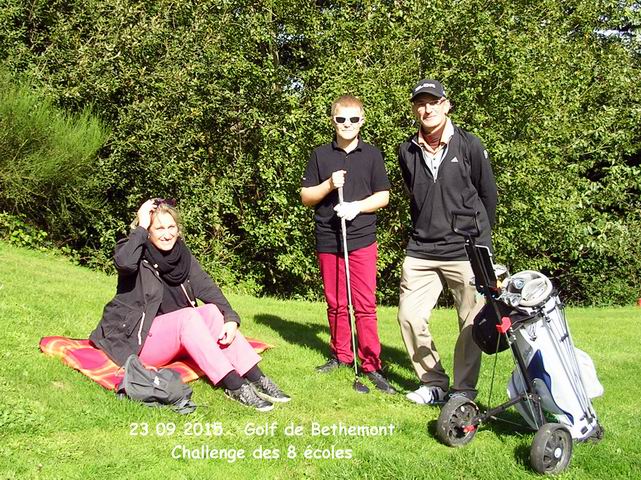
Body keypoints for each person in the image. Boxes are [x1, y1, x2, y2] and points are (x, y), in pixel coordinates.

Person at [90, 198, 290, 412]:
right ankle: (234, 385)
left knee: (211, 311)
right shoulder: (135, 250)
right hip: (138, 341)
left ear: (178, 229)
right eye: (159, 228)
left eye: (171, 227)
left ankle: (257, 377)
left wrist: (230, 318)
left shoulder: (181, 255)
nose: (167, 234)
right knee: (188, 316)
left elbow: (207, 287)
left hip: (172, 339)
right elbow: (124, 263)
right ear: (148, 231)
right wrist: (141, 225)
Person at [397, 79, 497, 404]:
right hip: (422, 249)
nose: (427, 109)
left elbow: (488, 195)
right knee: (409, 316)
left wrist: (482, 244)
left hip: (465, 249)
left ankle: (463, 390)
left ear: (446, 105)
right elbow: (416, 195)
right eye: (420, 104)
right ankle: (434, 383)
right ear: (415, 109)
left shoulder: (469, 144)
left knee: (471, 322)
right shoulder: (406, 150)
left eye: (433, 102)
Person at [300, 95, 394, 394]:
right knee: (337, 302)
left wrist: (356, 207)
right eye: (341, 119)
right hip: (329, 237)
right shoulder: (320, 155)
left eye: (353, 119)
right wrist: (329, 185)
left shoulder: (372, 154)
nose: (347, 124)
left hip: (361, 237)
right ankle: (341, 355)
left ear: (362, 121)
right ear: (333, 121)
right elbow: (306, 197)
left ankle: (371, 363)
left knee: (364, 305)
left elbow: (383, 196)